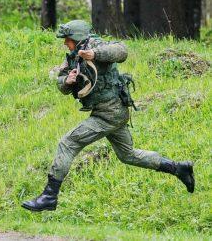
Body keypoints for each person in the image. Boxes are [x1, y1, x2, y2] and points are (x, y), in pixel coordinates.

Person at [21, 20, 195, 212]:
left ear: (77, 38)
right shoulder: (72, 56)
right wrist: (67, 81)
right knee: (128, 155)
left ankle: (49, 196)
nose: (65, 43)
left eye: (68, 40)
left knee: (67, 143)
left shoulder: (95, 45)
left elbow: (121, 51)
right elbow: (61, 82)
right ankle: (179, 169)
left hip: (109, 114)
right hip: (111, 113)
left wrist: (95, 54)